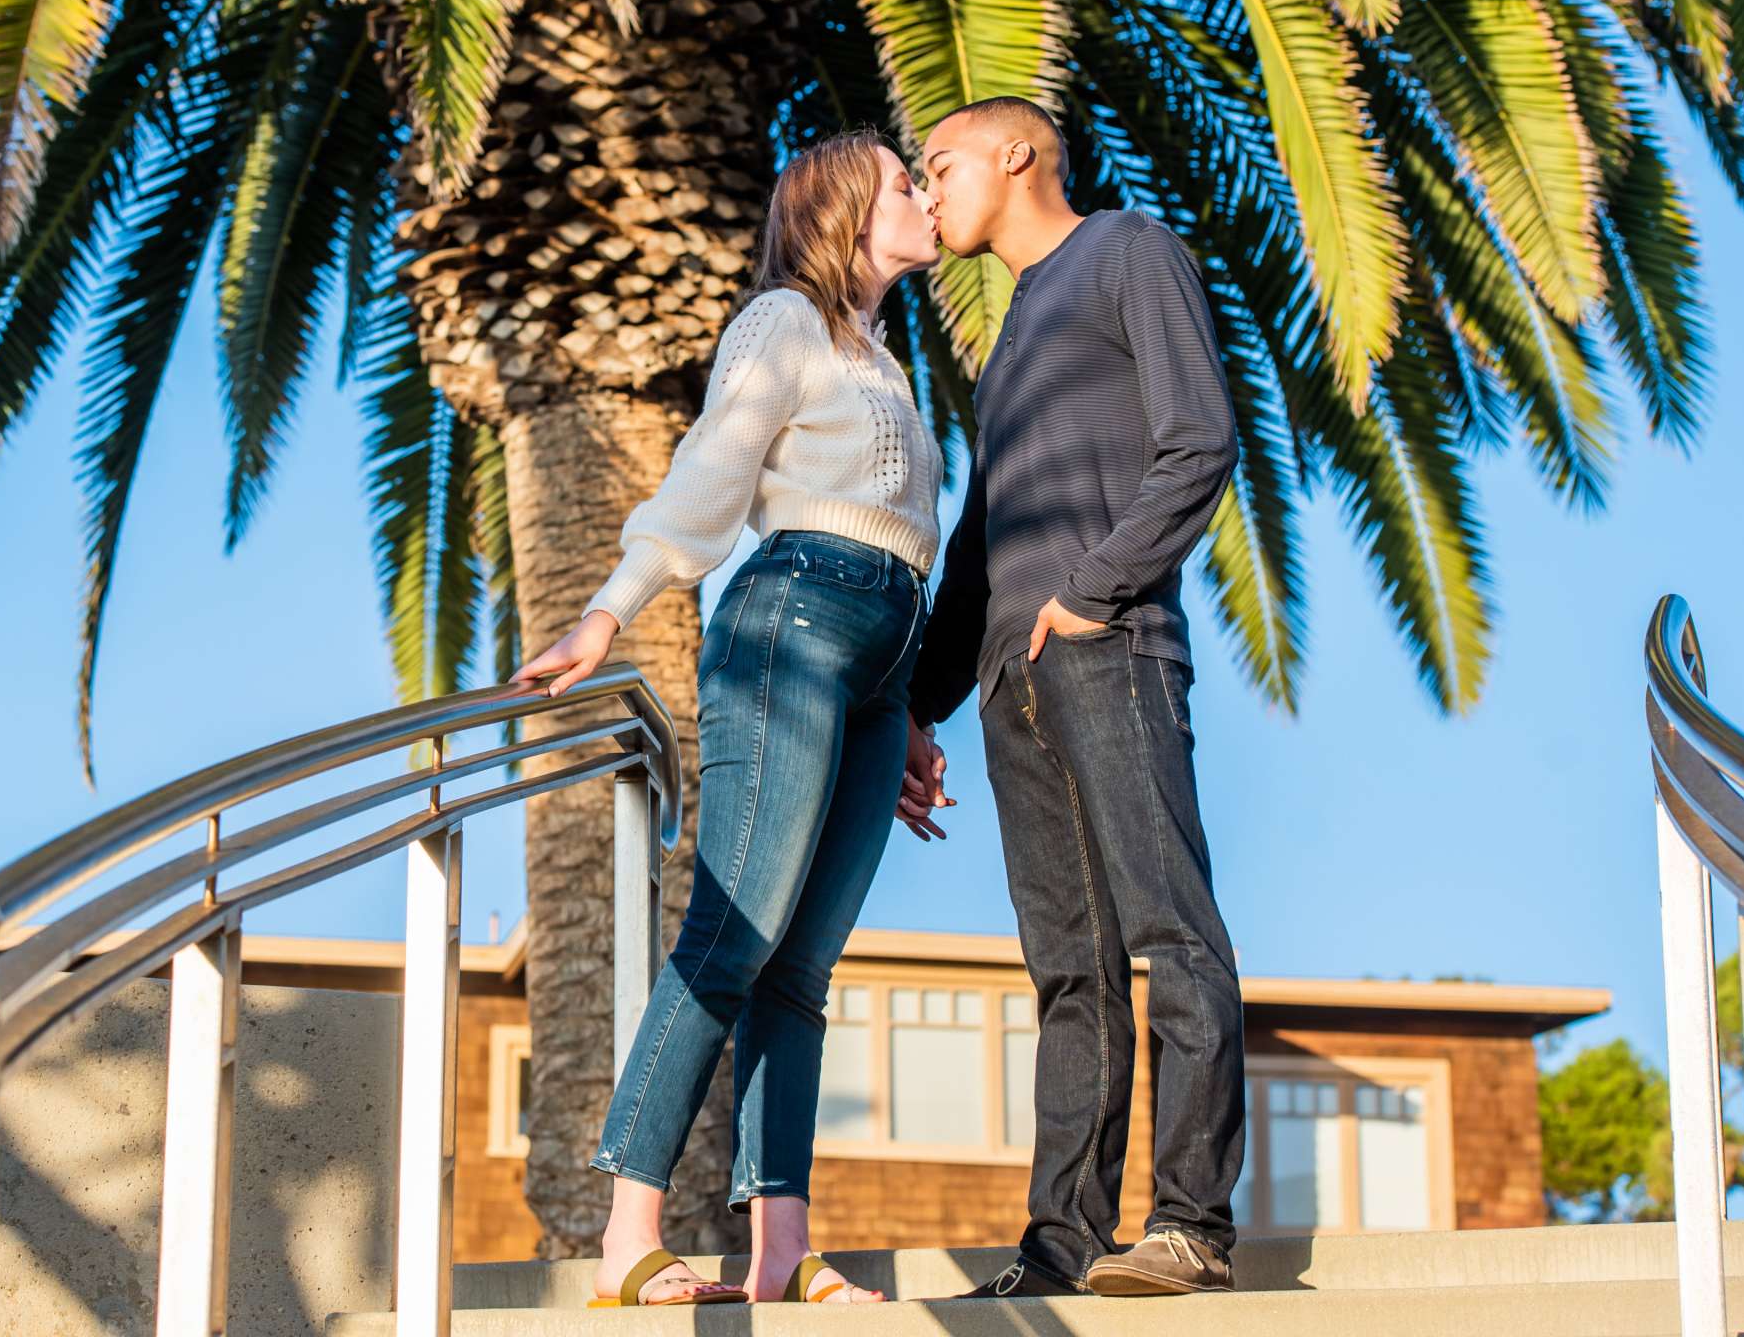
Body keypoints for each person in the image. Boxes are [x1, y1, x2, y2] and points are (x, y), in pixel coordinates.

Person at [514, 130, 943, 1308]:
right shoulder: (783, 325)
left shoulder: (882, 359)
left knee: (800, 968)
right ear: (850, 208)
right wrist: (608, 613)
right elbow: (713, 469)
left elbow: (899, 537)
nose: (927, 195)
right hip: (791, 625)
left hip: (877, 664)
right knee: (732, 931)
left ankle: (779, 1251)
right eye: (908, 183)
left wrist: (902, 705)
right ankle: (631, 1238)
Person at [897, 96, 1244, 1298]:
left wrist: (1096, 593)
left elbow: (1200, 439)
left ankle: (1192, 1222)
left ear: (1018, 153)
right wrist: (922, 702)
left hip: (1110, 646)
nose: (925, 189)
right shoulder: (1004, 349)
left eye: (937, 165)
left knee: (1169, 929)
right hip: (1012, 678)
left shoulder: (1126, 251)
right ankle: (1062, 1245)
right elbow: (979, 544)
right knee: (1069, 970)